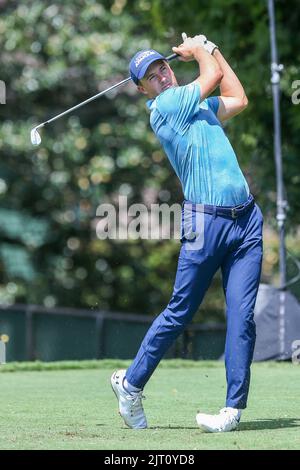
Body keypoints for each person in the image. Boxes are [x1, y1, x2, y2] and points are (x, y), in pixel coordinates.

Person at [111, 33, 263, 432]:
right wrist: (200, 51)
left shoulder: (196, 107)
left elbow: (238, 97)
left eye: (162, 66)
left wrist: (212, 49)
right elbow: (210, 77)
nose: (161, 74)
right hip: (205, 223)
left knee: (243, 318)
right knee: (180, 312)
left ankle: (232, 410)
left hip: (246, 220)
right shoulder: (165, 107)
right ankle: (130, 384)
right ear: (142, 88)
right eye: (151, 74)